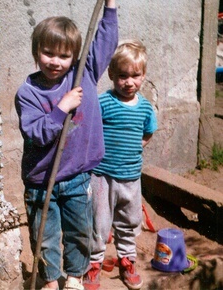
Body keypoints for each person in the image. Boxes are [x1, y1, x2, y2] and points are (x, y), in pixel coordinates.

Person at [15, 0, 121, 290]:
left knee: (79, 232)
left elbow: (105, 40)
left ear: (74, 55)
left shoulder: (83, 73)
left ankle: (74, 276)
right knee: (44, 236)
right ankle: (49, 280)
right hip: (41, 181)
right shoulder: (27, 92)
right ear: (37, 53)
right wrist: (62, 107)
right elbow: (36, 133)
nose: (56, 61)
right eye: (48, 53)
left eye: (64, 55)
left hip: (76, 177)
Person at [83, 40, 158, 290]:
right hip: (102, 176)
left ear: (143, 76)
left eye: (135, 76)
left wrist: (136, 147)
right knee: (99, 223)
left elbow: (148, 133)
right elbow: (89, 128)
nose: (129, 82)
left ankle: (127, 260)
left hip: (131, 177)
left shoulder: (145, 108)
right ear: (111, 74)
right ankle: (93, 264)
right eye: (123, 76)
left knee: (128, 221)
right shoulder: (103, 102)